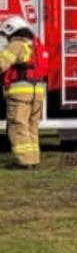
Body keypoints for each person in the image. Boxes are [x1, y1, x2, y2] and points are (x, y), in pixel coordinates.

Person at [0, 16, 44, 169]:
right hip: (37, 91)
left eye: (6, 35)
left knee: (18, 126)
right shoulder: (35, 45)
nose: (6, 38)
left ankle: (24, 162)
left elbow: (2, 64)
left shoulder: (16, 45)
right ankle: (33, 159)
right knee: (31, 126)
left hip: (20, 92)